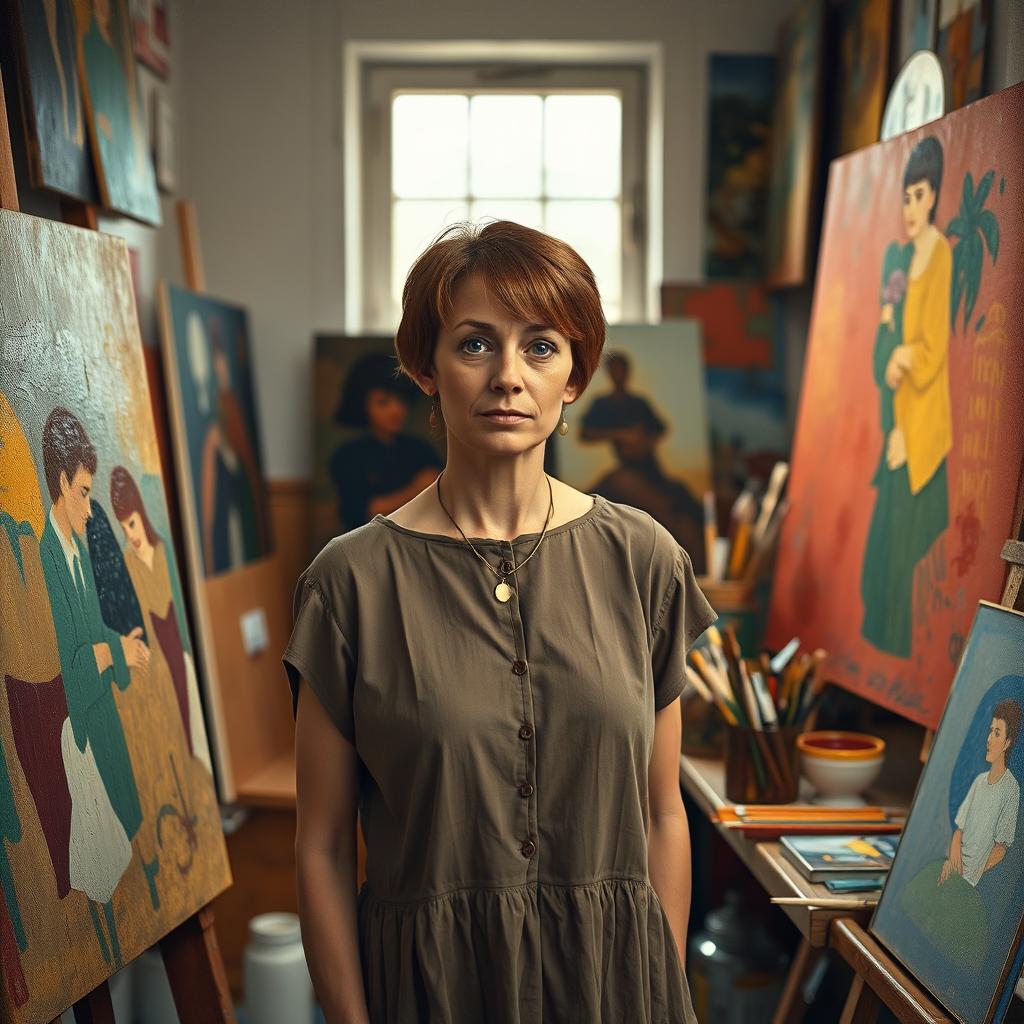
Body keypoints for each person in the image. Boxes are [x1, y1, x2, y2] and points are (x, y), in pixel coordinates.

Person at [284, 221, 717, 1023]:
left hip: (613, 989)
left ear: (575, 378)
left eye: (541, 347)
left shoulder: (644, 560)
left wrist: (656, 992)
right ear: (424, 367)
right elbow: (321, 848)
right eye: (476, 345)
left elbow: (663, 814)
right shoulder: (348, 584)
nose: (508, 377)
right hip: (430, 992)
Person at [38, 407, 156, 968]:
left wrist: (123, 646)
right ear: (61, 483)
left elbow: (94, 638)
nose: (90, 510)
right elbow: (72, 669)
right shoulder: (47, 560)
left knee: (128, 856)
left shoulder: (77, 548)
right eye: (84, 493)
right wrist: (113, 652)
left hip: (103, 718)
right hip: (81, 736)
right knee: (103, 879)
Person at [861, 136, 952, 656]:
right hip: (896, 424)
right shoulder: (899, 261)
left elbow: (934, 349)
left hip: (921, 431)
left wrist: (903, 356)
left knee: (901, 550)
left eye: (920, 196)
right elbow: (882, 354)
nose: (911, 209)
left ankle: (899, 650)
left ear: (935, 196)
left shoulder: (938, 255)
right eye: (906, 198)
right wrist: (889, 337)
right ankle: (884, 649)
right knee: (881, 557)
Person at [329, 351, 442, 531]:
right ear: (362, 404)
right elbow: (360, 512)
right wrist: (416, 490)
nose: (395, 410)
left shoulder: (421, 450)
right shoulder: (348, 455)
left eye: (401, 401)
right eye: (383, 402)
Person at [940, 698, 1021, 888]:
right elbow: (959, 831)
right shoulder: (979, 782)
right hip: (954, 867)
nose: (989, 739)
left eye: (997, 733)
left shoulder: (1011, 789)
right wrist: (953, 861)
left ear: (1007, 742)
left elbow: (1001, 848)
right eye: (990, 731)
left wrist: (970, 875)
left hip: (970, 881)